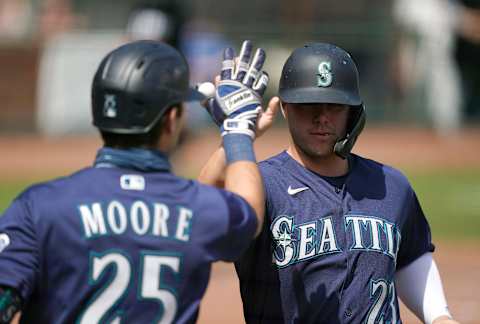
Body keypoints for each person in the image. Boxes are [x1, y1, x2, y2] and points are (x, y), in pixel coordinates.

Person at [0, 40, 268, 323]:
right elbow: (248, 211)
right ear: (171, 119)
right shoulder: (199, 212)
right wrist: (237, 129)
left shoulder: (39, 207)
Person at [199, 43, 459, 324]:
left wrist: (438, 316)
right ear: (285, 107)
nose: (322, 117)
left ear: (352, 112)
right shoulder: (260, 184)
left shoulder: (392, 185)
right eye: (309, 105)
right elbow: (198, 221)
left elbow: (410, 256)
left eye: (334, 106)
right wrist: (235, 134)